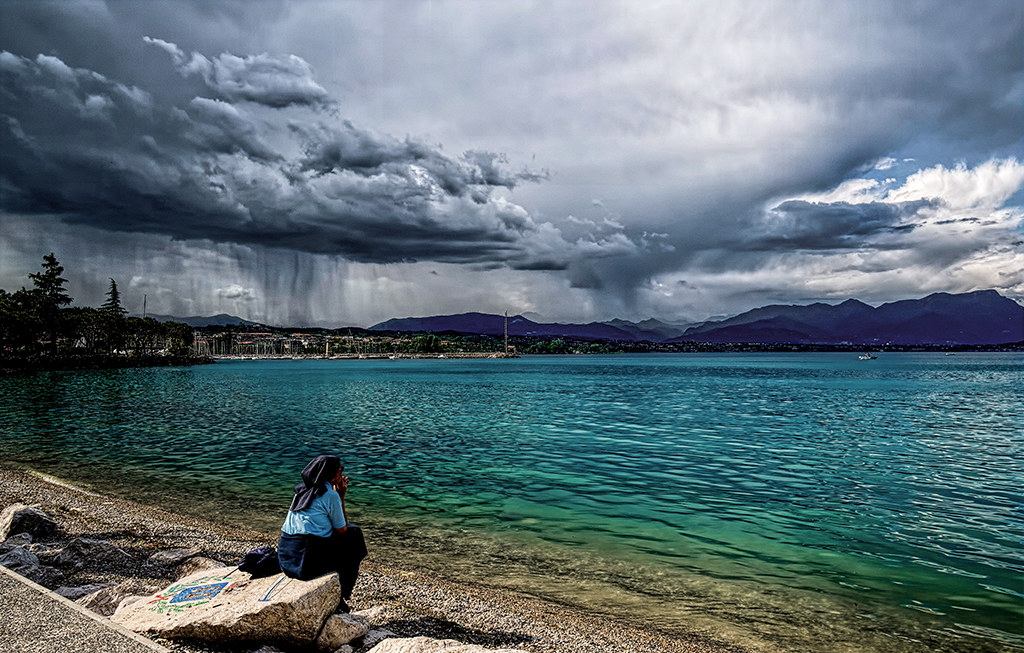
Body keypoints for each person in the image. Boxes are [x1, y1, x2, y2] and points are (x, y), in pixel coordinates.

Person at [278, 454, 367, 612]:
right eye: (340, 470)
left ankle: (339, 592)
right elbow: (342, 528)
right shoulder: (330, 495)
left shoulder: (301, 491)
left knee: (344, 535)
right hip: (305, 563)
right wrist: (341, 496)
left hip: (286, 558)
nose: (342, 474)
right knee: (354, 535)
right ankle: (342, 593)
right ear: (332, 473)